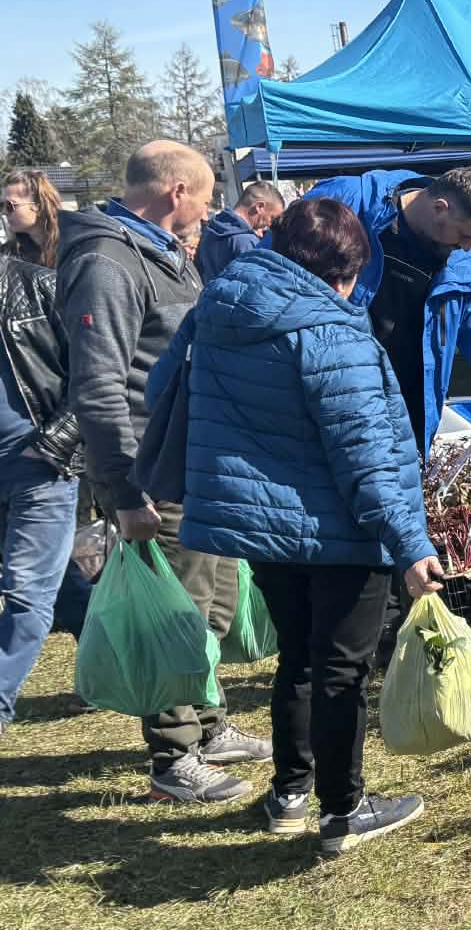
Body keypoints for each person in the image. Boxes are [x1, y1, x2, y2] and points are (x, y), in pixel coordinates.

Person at [156, 198, 443, 855]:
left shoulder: (218, 307)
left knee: (300, 659)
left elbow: (162, 392)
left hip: (264, 526)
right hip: (339, 527)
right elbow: (367, 455)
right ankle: (344, 810)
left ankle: (289, 794)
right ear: (345, 273)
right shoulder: (330, 331)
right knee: (342, 669)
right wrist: (410, 544)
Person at [57, 140, 271, 801]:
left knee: (209, 606)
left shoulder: (160, 253)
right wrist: (124, 492)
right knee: (176, 615)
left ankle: (207, 726)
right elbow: (98, 387)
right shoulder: (107, 262)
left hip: (195, 461)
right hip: (156, 472)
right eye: (204, 199)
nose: (209, 213)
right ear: (177, 191)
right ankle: (174, 759)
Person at [293, 165, 471, 478]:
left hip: (409, 411)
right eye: (465, 235)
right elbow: (271, 280)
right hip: (333, 399)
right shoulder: (350, 203)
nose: (467, 246)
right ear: (440, 207)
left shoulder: (464, 261)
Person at [0, 168, 85, 737]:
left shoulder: (40, 285)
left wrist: (56, 443)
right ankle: (111, 662)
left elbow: (92, 374)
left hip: (36, 464)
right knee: (61, 584)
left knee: (27, 590)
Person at [195, 179, 284, 284]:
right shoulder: (246, 241)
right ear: (259, 207)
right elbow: (255, 284)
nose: (270, 225)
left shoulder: (209, 230)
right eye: (272, 218)